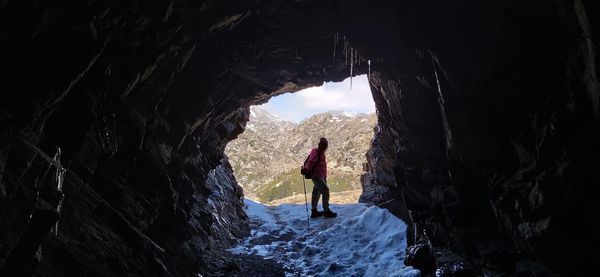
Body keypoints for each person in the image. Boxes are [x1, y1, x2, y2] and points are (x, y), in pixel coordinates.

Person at [303, 137, 337, 218]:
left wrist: (324, 177)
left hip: (320, 176)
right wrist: (306, 169)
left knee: (316, 192)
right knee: (325, 191)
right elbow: (310, 162)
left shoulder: (322, 154)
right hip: (316, 176)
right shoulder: (315, 152)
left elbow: (323, 167)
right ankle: (326, 211)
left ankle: (314, 212)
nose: (324, 147)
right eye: (323, 145)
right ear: (320, 145)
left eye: (325, 146)